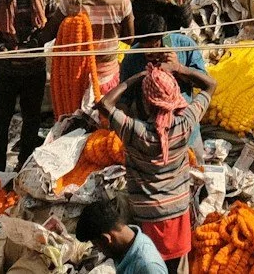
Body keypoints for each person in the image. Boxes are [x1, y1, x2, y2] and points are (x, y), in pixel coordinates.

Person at [96, 59, 210, 266]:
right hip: (179, 212)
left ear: (147, 102)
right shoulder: (185, 124)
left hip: (147, 216)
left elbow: (104, 104)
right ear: (174, 97)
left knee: (151, 264)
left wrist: (133, 79)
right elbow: (211, 85)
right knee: (177, 266)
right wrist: (179, 68)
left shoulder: (135, 132)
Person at [0, 0, 57, 174]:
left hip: (34, 69)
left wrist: (37, 42)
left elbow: (53, 25)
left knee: (31, 120)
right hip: (6, 71)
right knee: (1, 121)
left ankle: (23, 164)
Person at [73, 196, 165, 274]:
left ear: (106, 239)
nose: (100, 251)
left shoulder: (148, 267)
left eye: (97, 245)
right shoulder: (126, 247)